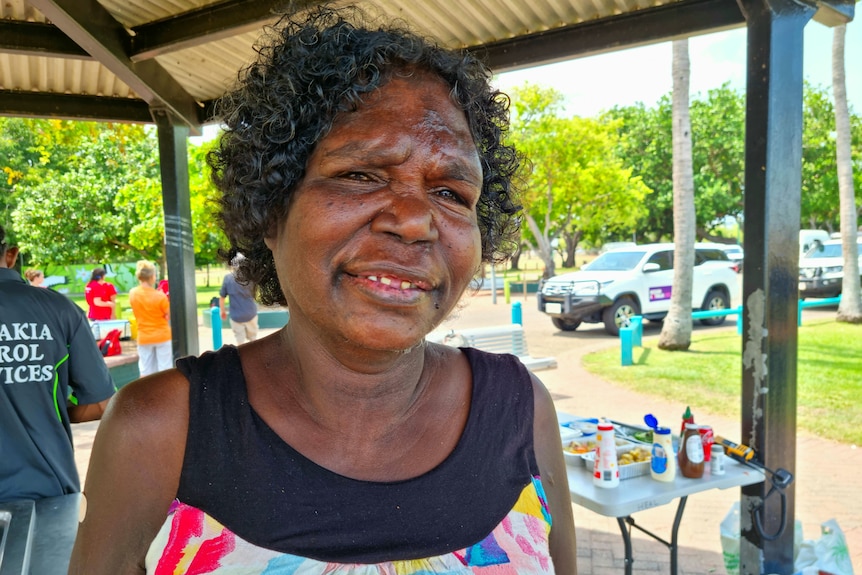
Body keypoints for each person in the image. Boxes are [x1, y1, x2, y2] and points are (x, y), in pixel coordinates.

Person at [69, 7, 577, 575]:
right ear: (270, 208)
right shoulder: (160, 430)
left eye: (452, 193)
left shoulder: (521, 411)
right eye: (361, 174)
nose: (414, 220)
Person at [0, 224, 115, 503]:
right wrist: (41, 405)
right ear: (12, 255)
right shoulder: (59, 309)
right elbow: (101, 404)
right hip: (46, 492)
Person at [128, 260, 172, 376]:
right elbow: (168, 315)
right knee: (165, 370)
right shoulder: (160, 296)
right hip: (162, 335)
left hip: (144, 336)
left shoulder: (133, 293)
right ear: (152, 276)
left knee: (145, 370)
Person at [219, 256, 259, 344]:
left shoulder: (228, 278)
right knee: (253, 340)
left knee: (240, 342)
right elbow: (255, 293)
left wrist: (222, 311)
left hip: (236, 316)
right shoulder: (251, 278)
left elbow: (222, 297)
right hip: (250, 313)